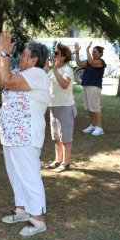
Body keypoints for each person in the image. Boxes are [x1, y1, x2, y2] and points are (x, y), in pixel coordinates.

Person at [0, 32, 50, 237]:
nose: (21, 58)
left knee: (29, 176)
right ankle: (22, 210)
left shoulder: (37, 74)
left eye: (25, 55)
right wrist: (1, 54)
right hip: (11, 135)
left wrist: (5, 56)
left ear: (34, 59)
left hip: (26, 135)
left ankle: (37, 220)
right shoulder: (20, 72)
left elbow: (6, 80)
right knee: (16, 175)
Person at [45, 43, 76, 173]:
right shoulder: (54, 69)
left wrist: (56, 70)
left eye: (57, 53)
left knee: (66, 137)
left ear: (63, 57)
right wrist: (49, 69)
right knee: (56, 137)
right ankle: (58, 160)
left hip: (65, 106)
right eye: (54, 53)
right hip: (54, 106)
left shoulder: (66, 69)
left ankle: (66, 163)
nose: (54, 55)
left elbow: (64, 85)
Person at [74, 41, 106, 136]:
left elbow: (92, 62)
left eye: (95, 51)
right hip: (86, 85)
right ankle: (92, 125)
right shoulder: (89, 61)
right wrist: (77, 52)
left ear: (100, 54)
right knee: (90, 107)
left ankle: (99, 127)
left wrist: (87, 50)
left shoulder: (101, 62)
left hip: (94, 86)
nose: (93, 52)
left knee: (95, 107)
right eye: (93, 51)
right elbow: (79, 63)